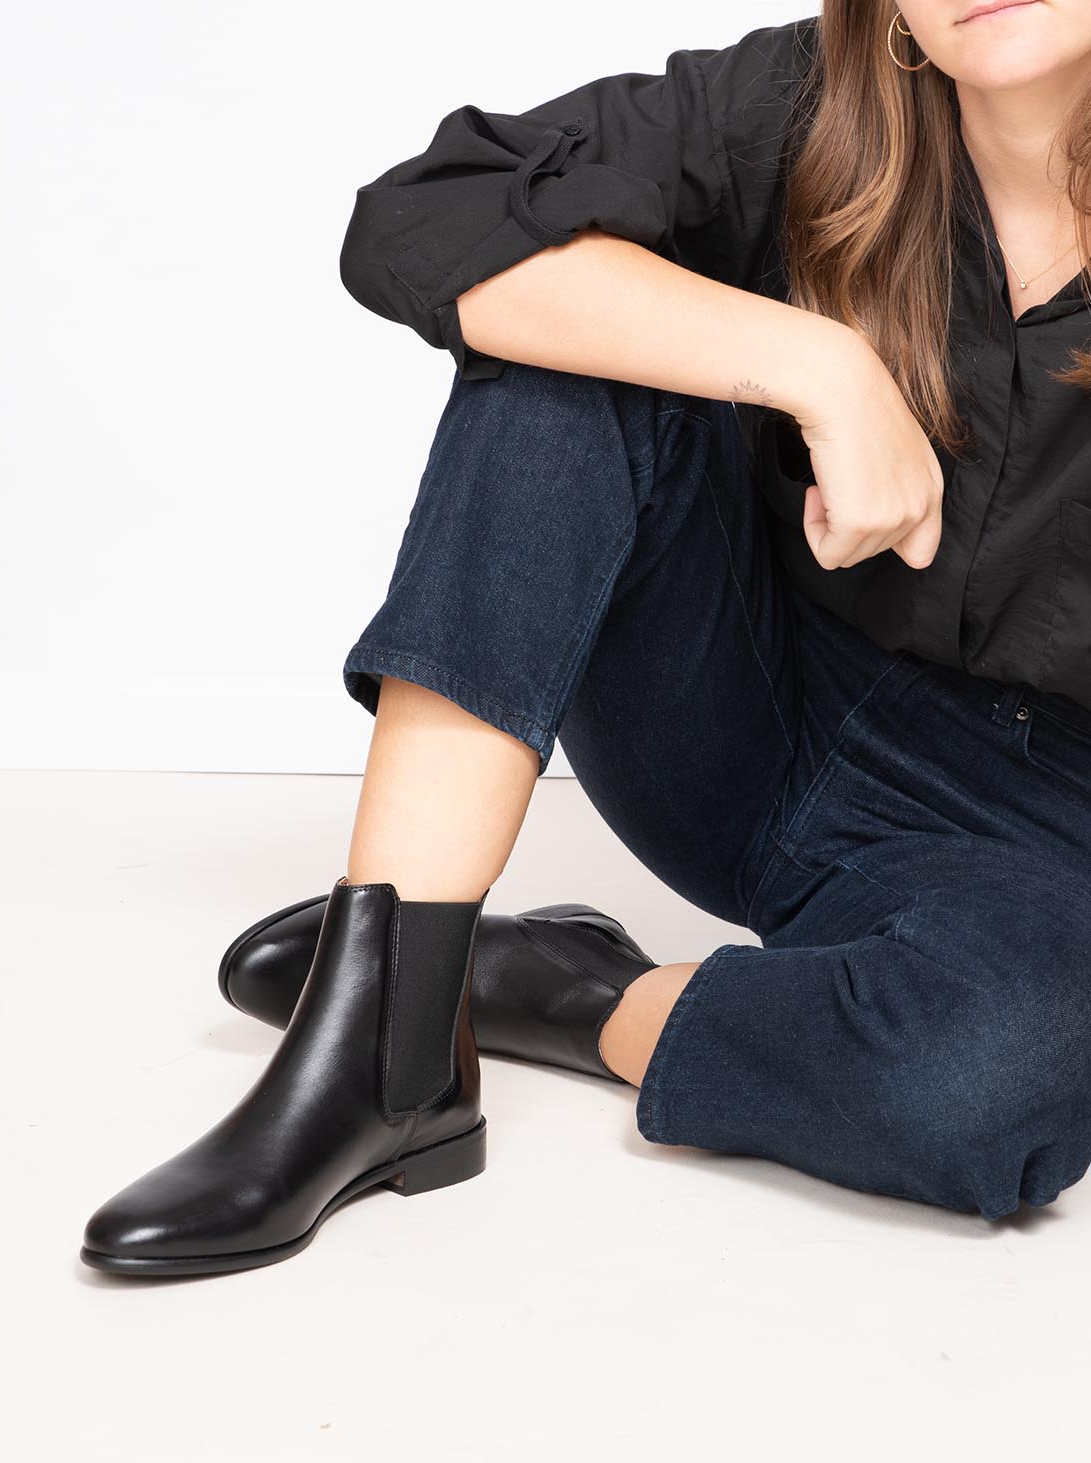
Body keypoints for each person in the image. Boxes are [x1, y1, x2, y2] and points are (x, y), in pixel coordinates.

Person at [80, 3, 1091, 1277]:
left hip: (1042, 851)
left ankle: (563, 991)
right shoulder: (807, 101)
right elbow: (430, 213)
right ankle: (383, 1046)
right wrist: (817, 364)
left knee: (988, 1083)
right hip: (747, 724)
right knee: (566, 324)